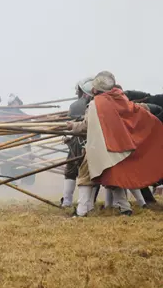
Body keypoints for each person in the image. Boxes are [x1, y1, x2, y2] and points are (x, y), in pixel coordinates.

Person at [66, 71, 163, 217]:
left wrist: (72, 126)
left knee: (85, 175)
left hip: (101, 147)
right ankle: (125, 208)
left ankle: (81, 211)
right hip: (120, 148)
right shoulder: (121, 99)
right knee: (114, 176)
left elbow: (86, 125)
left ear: (95, 89)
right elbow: (136, 109)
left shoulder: (95, 104)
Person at [61, 77, 93, 208]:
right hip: (91, 142)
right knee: (89, 172)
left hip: (79, 141)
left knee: (72, 171)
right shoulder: (95, 103)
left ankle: (69, 202)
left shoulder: (76, 105)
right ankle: (89, 204)